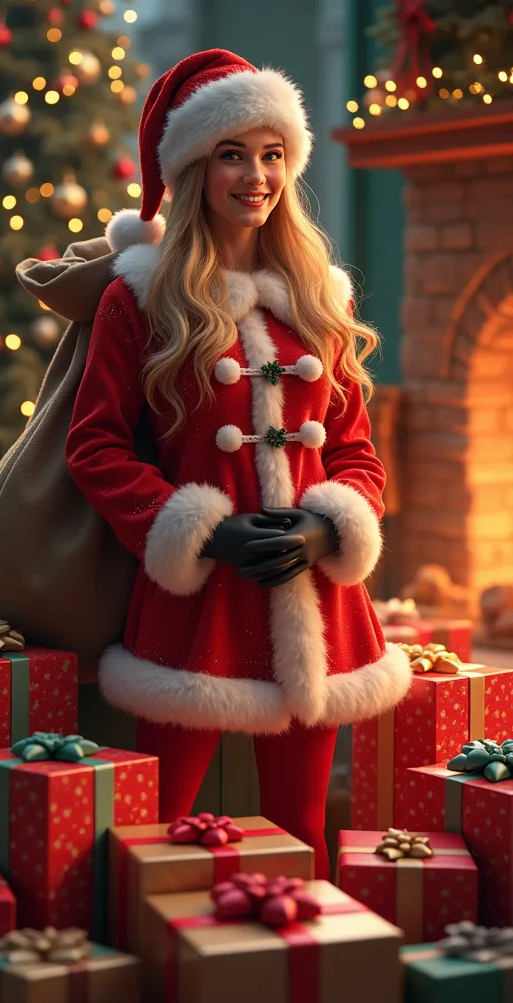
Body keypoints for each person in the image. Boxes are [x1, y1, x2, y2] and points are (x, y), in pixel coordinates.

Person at [65, 49, 411, 877]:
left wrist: (331, 526)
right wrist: (202, 531)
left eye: (272, 154)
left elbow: (358, 450)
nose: (257, 176)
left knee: (304, 833)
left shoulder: (321, 297)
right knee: (160, 837)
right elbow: (97, 446)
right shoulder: (141, 298)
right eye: (232, 154)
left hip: (319, 609)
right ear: (191, 166)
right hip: (197, 610)